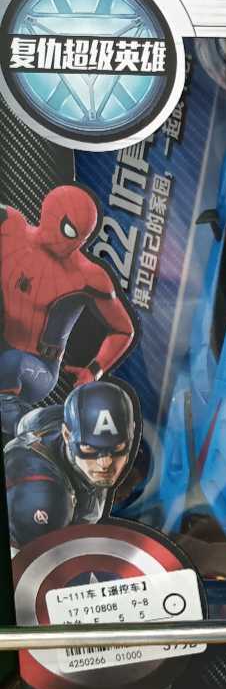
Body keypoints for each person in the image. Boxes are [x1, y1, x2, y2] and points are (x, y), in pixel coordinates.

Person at [0, 185, 134, 435]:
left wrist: (94, 371)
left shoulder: (88, 276)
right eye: (70, 231)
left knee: (11, 364)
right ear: (48, 213)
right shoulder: (9, 227)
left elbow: (123, 330)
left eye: (82, 237)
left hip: (38, 367)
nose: (73, 244)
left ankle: (28, 433)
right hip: (4, 342)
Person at [5, 380, 135, 549]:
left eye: (117, 447)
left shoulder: (59, 420)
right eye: (89, 448)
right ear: (66, 435)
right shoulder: (45, 495)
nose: (105, 463)